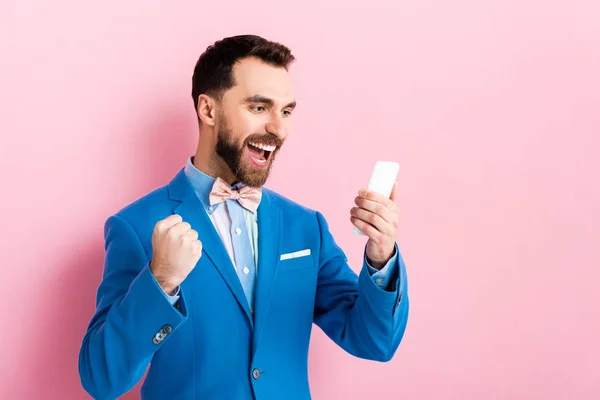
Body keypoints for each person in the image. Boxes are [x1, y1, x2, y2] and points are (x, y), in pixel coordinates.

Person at [78, 34, 410, 400]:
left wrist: (381, 256)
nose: (278, 129)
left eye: (285, 111)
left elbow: (375, 342)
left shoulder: (306, 227)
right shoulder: (137, 226)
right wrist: (161, 280)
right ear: (208, 110)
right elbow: (102, 380)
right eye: (259, 108)